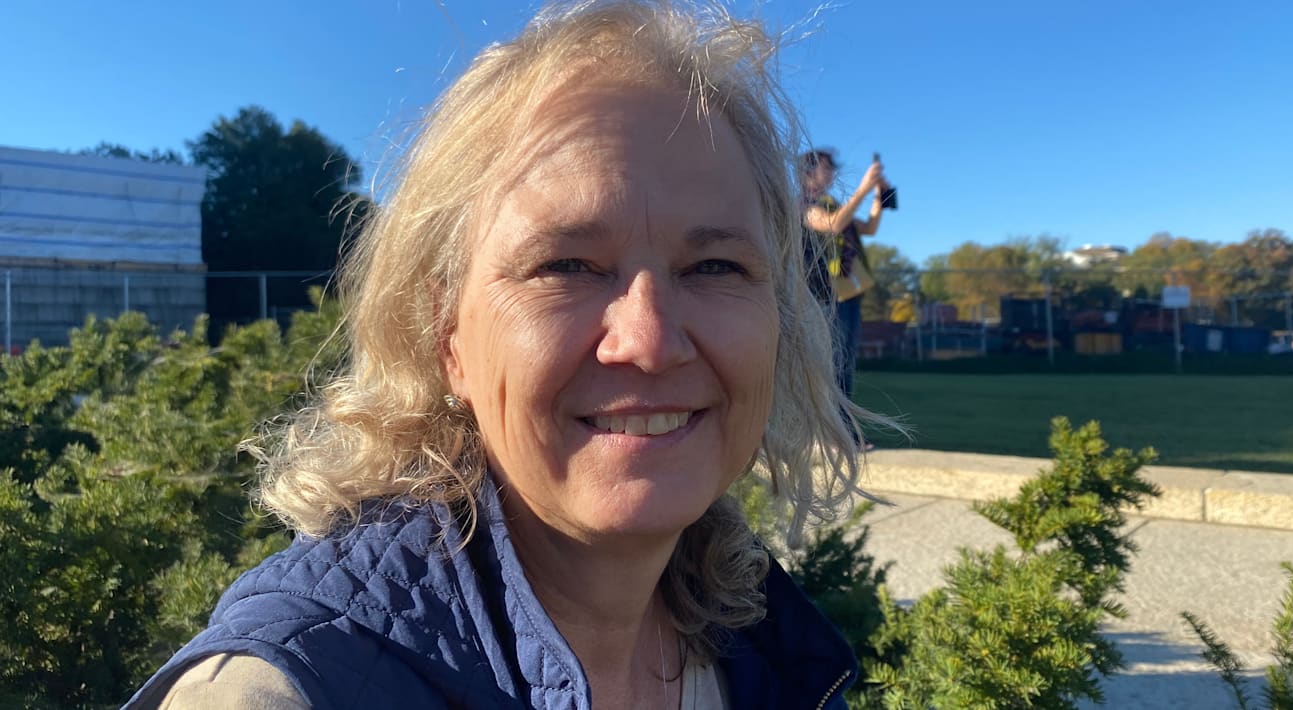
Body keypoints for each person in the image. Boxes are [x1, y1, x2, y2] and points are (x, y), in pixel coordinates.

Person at [126, 2, 871, 708]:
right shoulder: (284, 688)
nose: (648, 342)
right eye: (566, 267)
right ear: (446, 335)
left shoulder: (763, 642)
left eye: (714, 267)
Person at [800, 149, 888, 439]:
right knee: (833, 365)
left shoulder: (833, 204)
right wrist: (863, 187)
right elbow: (834, 223)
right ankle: (835, 435)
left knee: (844, 364)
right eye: (825, 168)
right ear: (807, 173)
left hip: (848, 293)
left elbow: (870, 228)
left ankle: (841, 433)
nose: (831, 174)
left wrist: (880, 194)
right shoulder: (804, 206)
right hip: (824, 297)